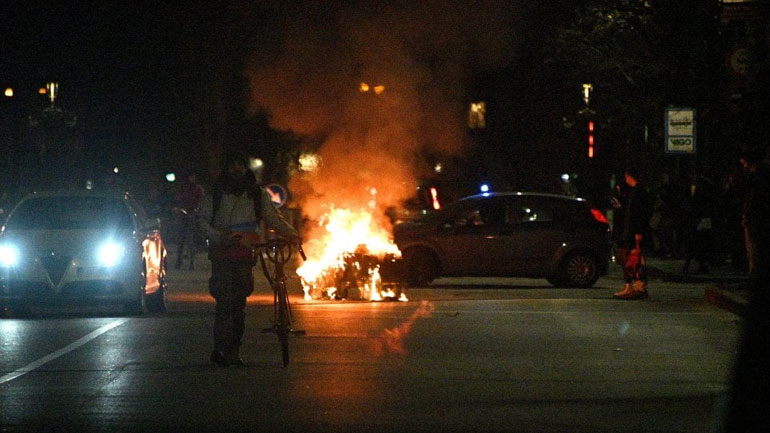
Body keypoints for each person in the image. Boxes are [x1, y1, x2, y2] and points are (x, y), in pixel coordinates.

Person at [196, 152, 299, 367]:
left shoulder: (256, 194)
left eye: (239, 166)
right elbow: (202, 221)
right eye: (232, 166)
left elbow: (273, 218)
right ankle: (221, 349)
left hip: (244, 257)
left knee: (238, 305)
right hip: (222, 257)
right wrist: (219, 237)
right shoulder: (215, 195)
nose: (236, 170)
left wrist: (292, 234)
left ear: (245, 169)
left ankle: (233, 350)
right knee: (225, 304)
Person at [721, 146, 770, 432]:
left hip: (757, 224)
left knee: (755, 255)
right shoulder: (757, 177)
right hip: (755, 222)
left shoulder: (758, 177)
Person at [613, 167, 653, 300]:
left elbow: (640, 214)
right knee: (632, 260)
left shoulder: (639, 192)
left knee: (638, 260)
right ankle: (633, 286)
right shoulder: (634, 192)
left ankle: (640, 287)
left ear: (629, 176)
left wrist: (638, 232)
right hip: (631, 231)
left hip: (636, 232)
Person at [173, 171, 205, 270]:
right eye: (191, 177)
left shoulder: (198, 188)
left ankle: (191, 262)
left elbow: (201, 201)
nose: (192, 179)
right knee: (181, 240)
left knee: (191, 240)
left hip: (193, 216)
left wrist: (197, 211)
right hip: (183, 216)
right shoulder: (183, 188)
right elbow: (178, 200)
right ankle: (179, 260)